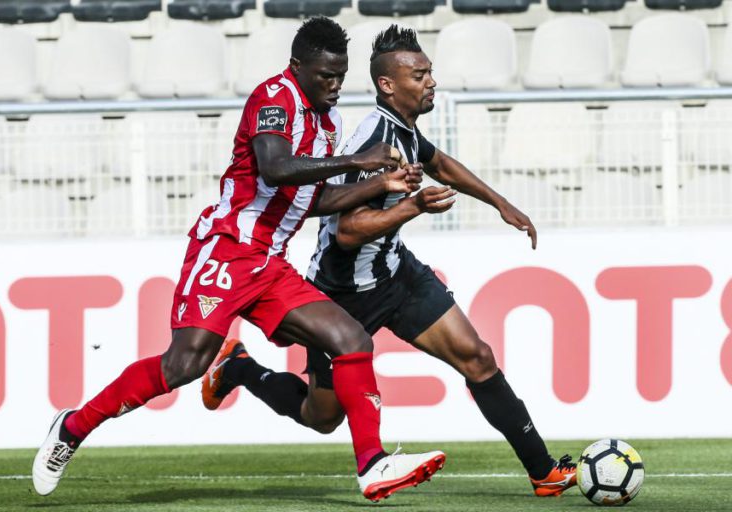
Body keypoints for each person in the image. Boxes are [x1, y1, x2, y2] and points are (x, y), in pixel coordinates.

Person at [32, 17, 447, 503]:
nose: (334, 86)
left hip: (270, 264)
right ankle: (72, 427)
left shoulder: (327, 122)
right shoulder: (274, 97)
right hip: (227, 250)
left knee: (350, 338)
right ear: (298, 67)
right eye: (324, 76)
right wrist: (359, 163)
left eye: (340, 76)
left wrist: (380, 186)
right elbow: (275, 167)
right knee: (184, 365)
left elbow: (308, 200)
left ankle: (373, 465)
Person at [202, 25, 578, 498]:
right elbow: (345, 231)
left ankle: (544, 471)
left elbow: (438, 163)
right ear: (388, 84)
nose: (430, 82)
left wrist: (499, 202)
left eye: (430, 72)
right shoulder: (372, 141)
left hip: (397, 275)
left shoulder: (403, 130)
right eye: (419, 75)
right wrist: (412, 207)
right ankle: (239, 368)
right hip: (341, 292)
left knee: (477, 357)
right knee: (322, 417)